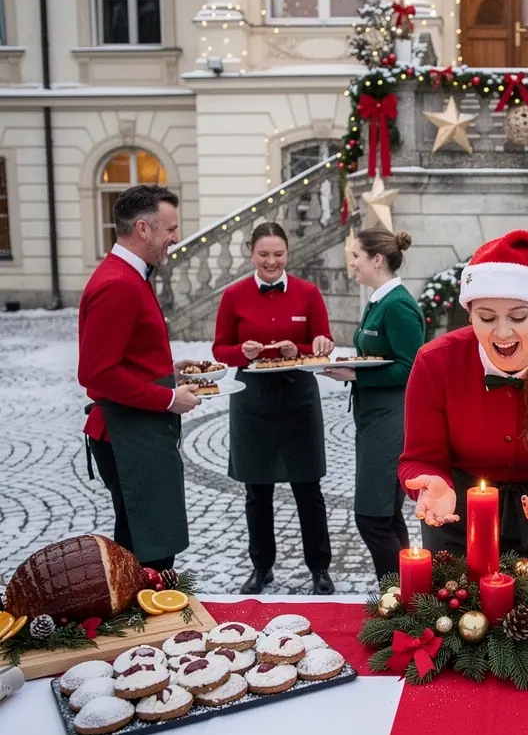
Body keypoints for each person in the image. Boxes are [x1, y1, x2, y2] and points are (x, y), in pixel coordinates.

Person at [398, 231, 528, 593]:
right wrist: (430, 483)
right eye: (486, 317)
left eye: (518, 316)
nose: (502, 332)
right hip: (458, 522)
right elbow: (418, 459)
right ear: (468, 314)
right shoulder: (435, 362)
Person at [79, 185, 200, 570]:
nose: (175, 238)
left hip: (137, 431)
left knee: (152, 538)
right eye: (170, 229)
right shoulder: (119, 284)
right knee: (146, 547)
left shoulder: (129, 275)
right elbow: (97, 373)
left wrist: (165, 371)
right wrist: (167, 398)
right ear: (144, 229)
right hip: (128, 435)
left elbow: (124, 356)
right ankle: (145, 619)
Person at [212, 221, 336, 595]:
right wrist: (241, 352)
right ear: (251, 254)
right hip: (252, 399)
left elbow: (323, 342)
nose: (271, 261)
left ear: (287, 254)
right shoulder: (233, 295)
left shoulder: (308, 293)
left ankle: (320, 569)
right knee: (257, 490)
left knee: (308, 489)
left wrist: (297, 349)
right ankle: (261, 567)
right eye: (264, 254)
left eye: (278, 254)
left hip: (298, 396)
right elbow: (220, 349)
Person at [323, 228, 425, 581]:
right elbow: (381, 356)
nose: (352, 264)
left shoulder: (398, 306)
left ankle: (399, 595)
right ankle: (407, 595)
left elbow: (410, 368)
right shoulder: (379, 300)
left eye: (356, 256)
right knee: (388, 516)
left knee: (373, 518)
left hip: (391, 422)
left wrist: (355, 376)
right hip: (374, 420)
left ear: (377, 259)